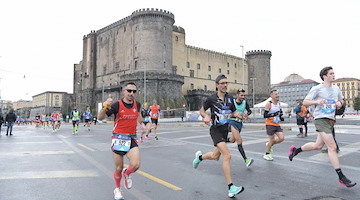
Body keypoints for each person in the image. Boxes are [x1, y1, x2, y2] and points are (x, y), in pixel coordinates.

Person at [288, 66, 356, 188]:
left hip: (330, 120)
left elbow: (342, 100)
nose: (334, 75)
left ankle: (296, 150)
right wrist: (317, 102)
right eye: (331, 73)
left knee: (318, 146)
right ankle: (341, 177)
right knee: (332, 147)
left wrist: (340, 103)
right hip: (320, 119)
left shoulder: (336, 89)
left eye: (334, 73)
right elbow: (305, 102)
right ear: (325, 76)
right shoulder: (317, 88)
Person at [192, 74, 245, 198]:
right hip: (215, 130)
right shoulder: (211, 99)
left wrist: (236, 115)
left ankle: (199, 158)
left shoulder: (230, 99)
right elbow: (202, 110)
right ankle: (231, 187)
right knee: (227, 156)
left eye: (226, 83)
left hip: (224, 130)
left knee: (215, 157)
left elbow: (231, 113)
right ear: (217, 85)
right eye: (222, 83)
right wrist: (205, 116)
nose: (225, 85)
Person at [97, 82, 146, 200]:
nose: (131, 93)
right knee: (118, 168)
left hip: (132, 138)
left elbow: (137, 114)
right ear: (124, 91)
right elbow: (100, 118)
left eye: (134, 91)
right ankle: (117, 189)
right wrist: (105, 106)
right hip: (118, 138)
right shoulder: (116, 105)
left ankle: (127, 173)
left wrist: (142, 124)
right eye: (129, 91)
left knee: (135, 165)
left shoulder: (137, 104)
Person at [227, 88, 254, 167]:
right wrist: (235, 115)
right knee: (239, 140)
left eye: (244, 95)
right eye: (241, 95)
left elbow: (249, 111)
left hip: (239, 124)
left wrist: (246, 114)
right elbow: (228, 113)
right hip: (232, 122)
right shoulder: (232, 102)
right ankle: (246, 160)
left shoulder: (245, 103)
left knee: (232, 140)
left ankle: (221, 140)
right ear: (237, 95)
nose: (243, 97)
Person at [263, 89, 285, 161]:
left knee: (281, 138)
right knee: (271, 139)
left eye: (278, 94)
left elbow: (280, 112)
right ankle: (267, 154)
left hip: (276, 123)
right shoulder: (269, 104)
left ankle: (269, 144)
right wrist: (274, 114)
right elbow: (265, 115)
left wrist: (281, 117)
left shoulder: (279, 104)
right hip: (270, 124)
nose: (277, 95)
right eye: (275, 94)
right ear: (271, 96)